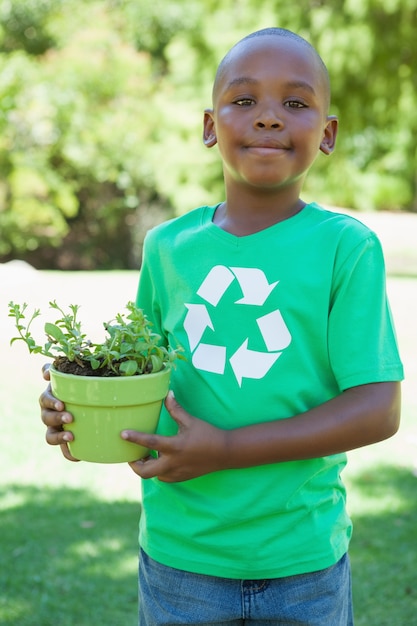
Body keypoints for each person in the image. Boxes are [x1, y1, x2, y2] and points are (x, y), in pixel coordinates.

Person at [40, 27, 404, 625]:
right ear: (210, 126)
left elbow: (376, 408)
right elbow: (142, 378)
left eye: (295, 102)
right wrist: (79, 407)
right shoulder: (168, 247)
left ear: (327, 133)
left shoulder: (347, 248)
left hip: (301, 559)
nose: (267, 119)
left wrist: (228, 449)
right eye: (244, 101)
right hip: (181, 558)